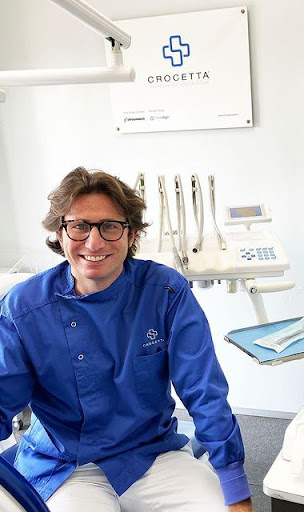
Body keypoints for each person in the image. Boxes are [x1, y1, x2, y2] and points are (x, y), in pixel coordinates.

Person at [0, 167, 254, 512]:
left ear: (131, 233)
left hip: (150, 454)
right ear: (59, 233)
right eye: (79, 226)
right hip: (67, 466)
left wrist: (235, 486)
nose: (94, 243)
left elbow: (203, 389)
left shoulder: (165, 292)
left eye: (110, 226)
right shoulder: (24, 308)